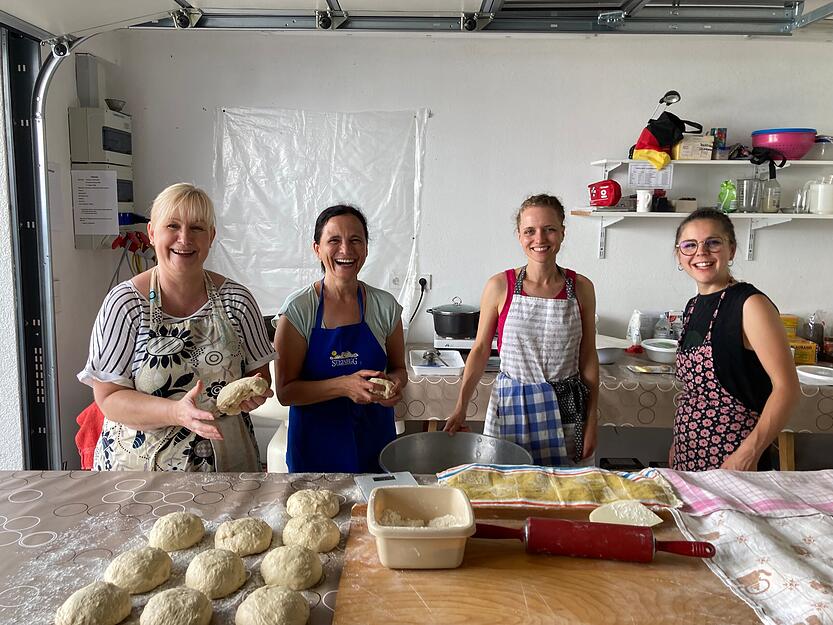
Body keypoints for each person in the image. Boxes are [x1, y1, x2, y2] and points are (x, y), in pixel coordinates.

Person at [78, 183, 275, 471]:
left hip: (227, 467)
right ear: (152, 233)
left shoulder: (238, 301)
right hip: (140, 472)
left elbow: (259, 375)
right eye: (173, 225)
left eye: (197, 227)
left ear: (211, 236)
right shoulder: (125, 304)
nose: (185, 238)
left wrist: (255, 394)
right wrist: (176, 412)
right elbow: (108, 397)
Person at [444, 194, 599, 466]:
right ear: (519, 236)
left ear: (562, 233)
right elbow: (480, 350)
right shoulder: (499, 286)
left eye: (549, 229)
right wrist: (461, 407)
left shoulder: (582, 288)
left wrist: (592, 419)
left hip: (566, 408)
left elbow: (588, 356)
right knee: (507, 490)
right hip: (511, 405)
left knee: (562, 494)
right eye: (530, 231)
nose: (539, 239)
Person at [274, 204, 407, 473]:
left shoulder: (385, 306)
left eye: (355, 240)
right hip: (315, 448)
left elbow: (398, 369)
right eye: (333, 240)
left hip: (375, 442)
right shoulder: (300, 309)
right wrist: (344, 386)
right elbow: (286, 392)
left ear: (366, 248)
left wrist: (392, 386)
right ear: (317, 249)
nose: (345, 250)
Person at [671, 208, 799, 471]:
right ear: (679, 255)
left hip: (735, 457)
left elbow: (787, 389)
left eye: (713, 243)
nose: (701, 253)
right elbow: (696, 393)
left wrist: (748, 454)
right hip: (688, 452)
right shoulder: (693, 306)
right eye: (690, 245)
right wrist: (677, 444)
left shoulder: (750, 304)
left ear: (731, 249)